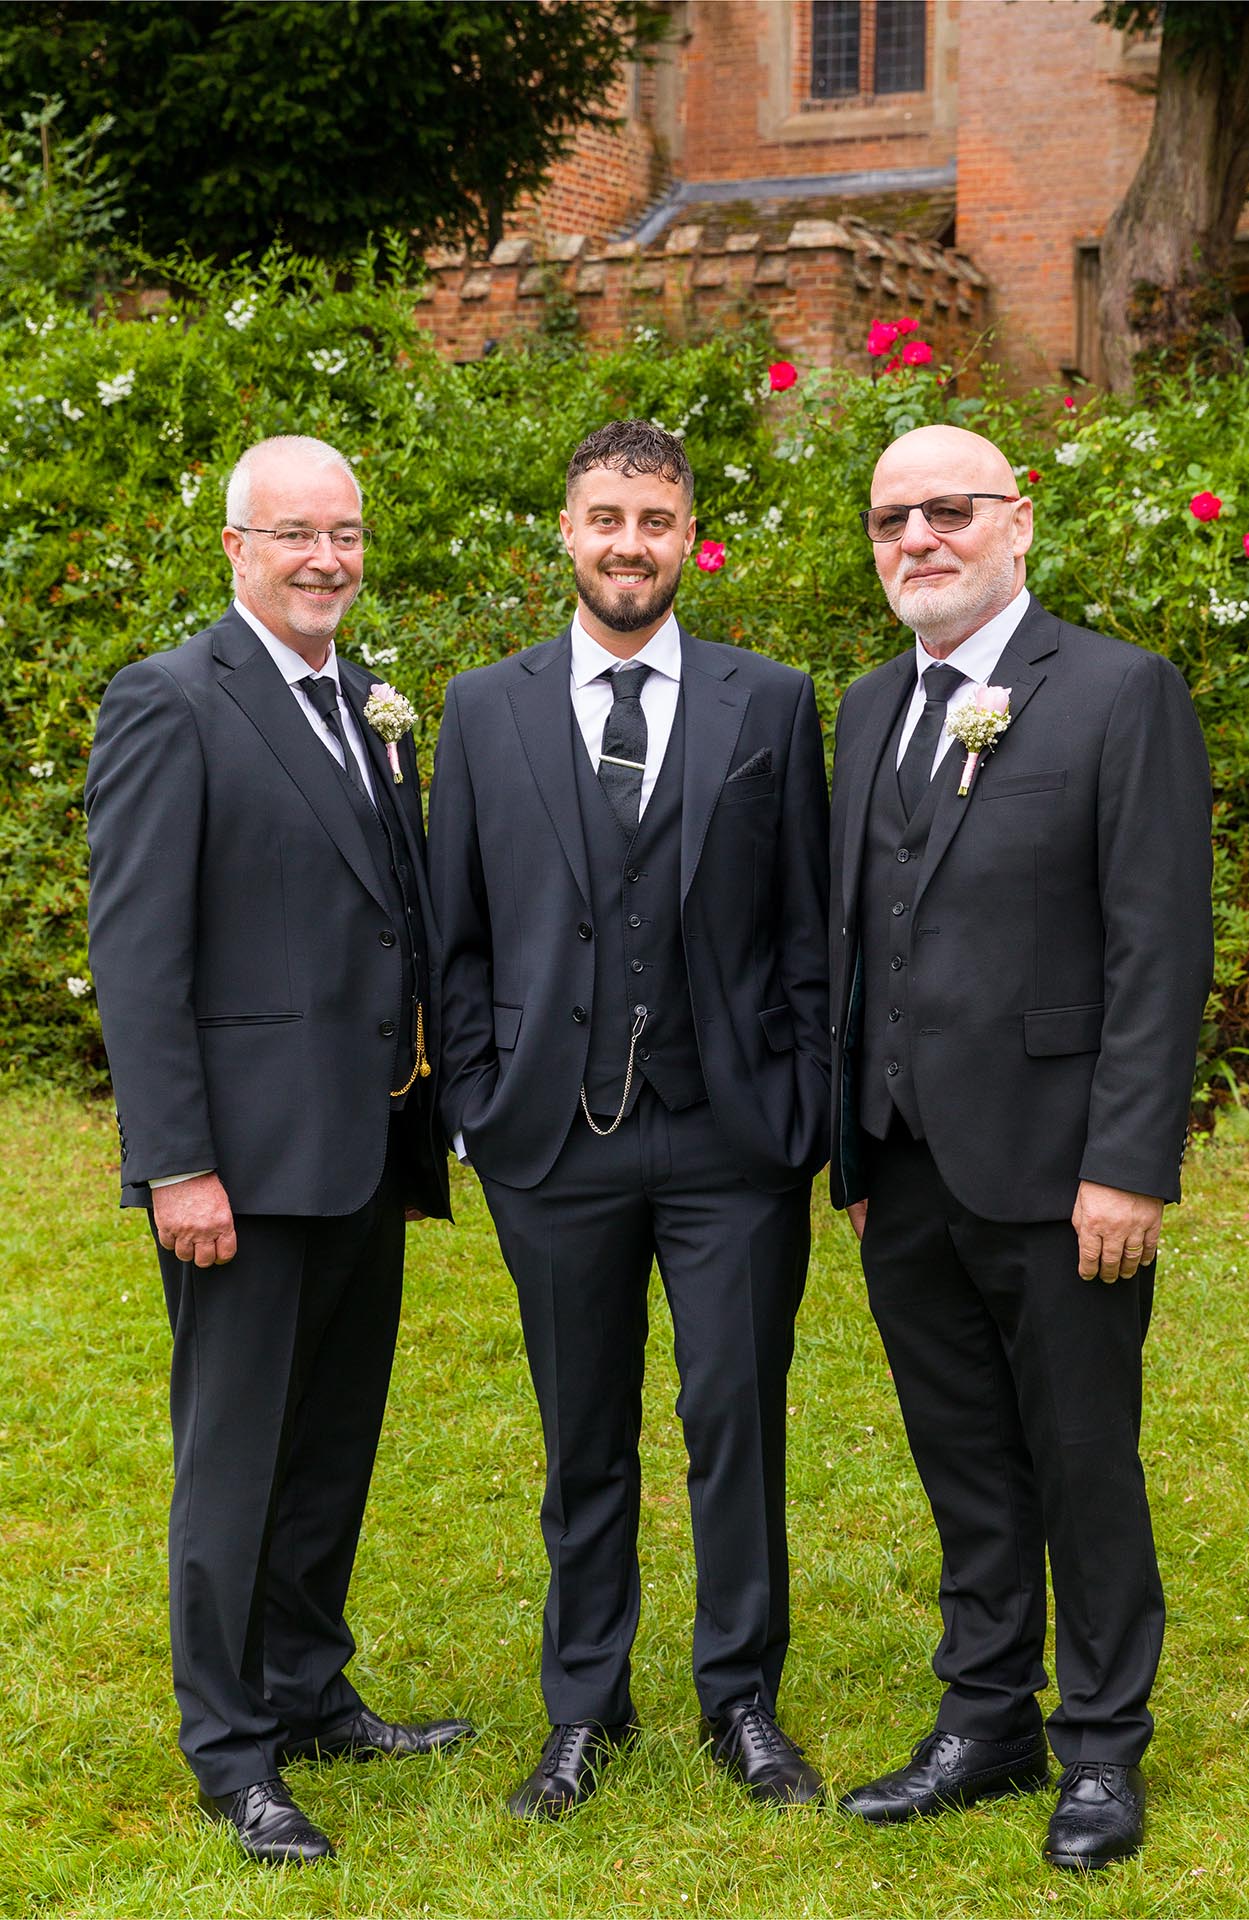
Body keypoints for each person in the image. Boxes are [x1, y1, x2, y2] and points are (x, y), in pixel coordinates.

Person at [426, 420, 830, 1818]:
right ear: (566, 529)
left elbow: (805, 929)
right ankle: (585, 1706)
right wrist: (479, 1098)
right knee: (581, 1430)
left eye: (655, 522)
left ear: (690, 535)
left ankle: (744, 1701)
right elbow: (456, 934)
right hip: (553, 1142)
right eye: (606, 518)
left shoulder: (769, 704)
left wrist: (801, 1107)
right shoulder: (483, 708)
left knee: (737, 1419)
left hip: (733, 1140)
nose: (629, 546)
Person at [828, 424, 1213, 1871]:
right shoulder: (871, 709)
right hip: (904, 1164)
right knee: (965, 1460)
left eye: (946, 511)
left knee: (1080, 1457)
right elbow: (854, 942)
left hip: (1062, 1171)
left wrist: (1129, 1163)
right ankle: (984, 1719)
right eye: (890, 520)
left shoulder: (1119, 693)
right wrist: (851, 1154)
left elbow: (1158, 948)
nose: (916, 539)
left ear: (1016, 523)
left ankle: (1102, 1749)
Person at [85, 434, 473, 1867]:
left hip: (366, 1145)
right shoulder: (170, 703)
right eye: (297, 533)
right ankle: (231, 1749)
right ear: (237, 548)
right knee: (235, 1459)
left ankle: (308, 1689)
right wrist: (177, 1162)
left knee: (330, 1444)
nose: (328, 559)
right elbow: (138, 957)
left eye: (348, 534)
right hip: (239, 1167)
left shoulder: (369, 709)